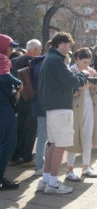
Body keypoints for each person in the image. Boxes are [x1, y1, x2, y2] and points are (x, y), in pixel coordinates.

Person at [36, 32, 87, 194]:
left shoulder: (49, 59)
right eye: (69, 45)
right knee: (60, 146)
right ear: (61, 44)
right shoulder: (56, 61)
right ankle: (53, 183)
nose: (70, 48)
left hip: (53, 109)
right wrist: (81, 74)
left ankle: (46, 180)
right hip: (60, 109)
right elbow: (72, 82)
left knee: (53, 145)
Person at [65, 48, 97, 181]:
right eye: (84, 62)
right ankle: (69, 169)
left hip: (91, 108)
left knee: (88, 136)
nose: (86, 65)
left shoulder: (90, 70)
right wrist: (80, 88)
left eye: (88, 62)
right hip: (75, 110)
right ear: (77, 59)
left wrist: (96, 77)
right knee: (73, 138)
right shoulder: (71, 71)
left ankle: (86, 166)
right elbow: (67, 92)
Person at [9, 39, 42, 168]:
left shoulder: (15, 61)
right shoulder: (35, 62)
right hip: (32, 99)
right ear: (34, 50)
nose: (40, 52)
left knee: (19, 128)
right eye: (39, 49)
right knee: (30, 130)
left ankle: (14, 157)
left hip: (19, 99)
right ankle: (27, 158)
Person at [0, 34, 22, 190]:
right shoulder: (2, 58)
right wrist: (18, 83)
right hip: (3, 107)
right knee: (8, 142)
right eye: (10, 46)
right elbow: (4, 78)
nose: (12, 49)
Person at [31, 40, 52, 176]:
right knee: (43, 137)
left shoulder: (39, 63)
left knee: (44, 137)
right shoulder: (44, 65)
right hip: (44, 106)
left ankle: (42, 164)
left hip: (41, 105)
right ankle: (39, 166)